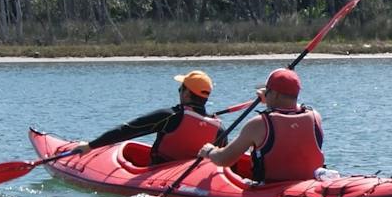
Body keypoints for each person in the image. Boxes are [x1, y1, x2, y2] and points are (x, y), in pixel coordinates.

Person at [196, 67, 324, 183]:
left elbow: (224, 160)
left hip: (269, 189)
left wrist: (210, 151)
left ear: (275, 94)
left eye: (267, 90)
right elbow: (288, 108)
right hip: (308, 184)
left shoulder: (259, 124)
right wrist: (270, 98)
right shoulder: (315, 117)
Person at [85, 70, 223, 164]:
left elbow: (127, 130)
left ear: (186, 94)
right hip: (192, 177)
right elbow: (225, 160)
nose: (179, 91)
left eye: (181, 88)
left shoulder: (170, 116)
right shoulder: (219, 128)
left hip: (159, 172)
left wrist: (90, 146)